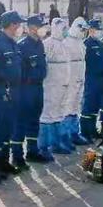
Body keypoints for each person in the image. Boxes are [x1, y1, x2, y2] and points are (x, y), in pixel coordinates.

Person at [0, 11, 25, 177]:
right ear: (11, 24)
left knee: (9, 126)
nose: (19, 27)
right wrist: (3, 88)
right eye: (17, 23)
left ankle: (4, 160)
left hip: (15, 90)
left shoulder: (12, 42)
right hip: (1, 91)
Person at [16, 15, 50, 163]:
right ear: (31, 28)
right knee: (22, 121)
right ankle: (17, 155)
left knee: (35, 120)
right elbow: (19, 71)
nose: (43, 28)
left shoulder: (39, 44)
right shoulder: (22, 46)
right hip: (26, 89)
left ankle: (32, 150)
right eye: (40, 26)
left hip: (38, 88)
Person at [40, 18, 72, 155]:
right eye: (63, 29)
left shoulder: (64, 44)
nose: (65, 31)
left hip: (62, 86)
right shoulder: (48, 44)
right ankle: (44, 145)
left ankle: (57, 143)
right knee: (47, 114)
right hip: (51, 86)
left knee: (59, 113)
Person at [62, 17, 90, 145]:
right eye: (82, 29)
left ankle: (74, 133)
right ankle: (65, 135)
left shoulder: (81, 42)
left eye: (85, 30)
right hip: (70, 80)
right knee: (68, 106)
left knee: (76, 106)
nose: (84, 32)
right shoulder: (66, 42)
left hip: (79, 79)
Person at [80, 19, 103, 142]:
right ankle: (85, 131)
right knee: (88, 105)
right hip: (90, 78)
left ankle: (93, 129)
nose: (98, 32)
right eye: (96, 29)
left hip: (100, 78)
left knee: (96, 105)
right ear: (90, 29)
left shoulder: (100, 44)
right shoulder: (86, 44)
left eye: (99, 29)